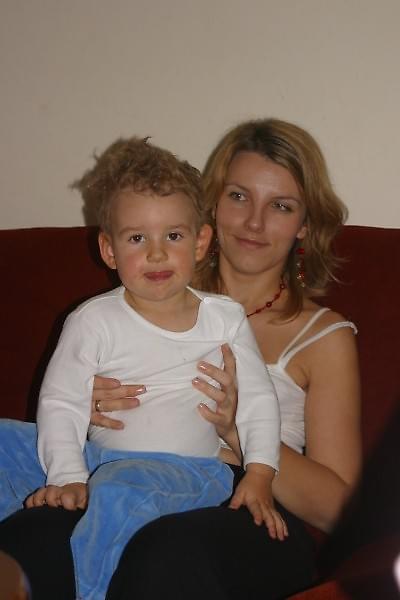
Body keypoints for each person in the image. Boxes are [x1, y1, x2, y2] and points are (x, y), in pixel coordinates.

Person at [0, 118, 361, 600]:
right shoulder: (133, 303)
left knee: (164, 553)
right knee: (34, 535)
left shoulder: (323, 336)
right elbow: (65, 407)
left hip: (250, 509)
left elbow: (344, 514)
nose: (254, 221)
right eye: (238, 196)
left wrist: (235, 431)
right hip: (120, 471)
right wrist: (85, 410)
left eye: (281, 205)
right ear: (211, 208)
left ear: (306, 223)